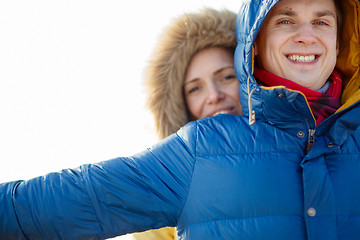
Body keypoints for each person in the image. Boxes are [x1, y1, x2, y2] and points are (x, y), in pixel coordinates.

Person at [1, 0, 360, 239]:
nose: (307, 35)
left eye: (321, 21)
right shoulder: (201, 151)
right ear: (255, 42)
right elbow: (81, 197)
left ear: (341, 40)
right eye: (285, 19)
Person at [133, 8, 241, 240]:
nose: (214, 95)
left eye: (226, 77)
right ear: (181, 104)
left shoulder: (299, 150)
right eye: (195, 88)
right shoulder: (162, 192)